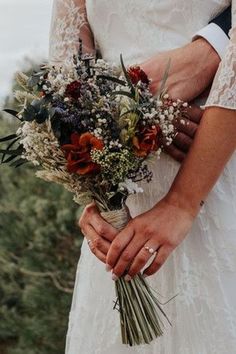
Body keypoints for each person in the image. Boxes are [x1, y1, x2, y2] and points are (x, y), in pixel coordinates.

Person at [49, 1, 236, 353]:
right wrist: (94, 193)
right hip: (122, 210)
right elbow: (69, 76)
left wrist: (181, 203)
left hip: (216, 166)